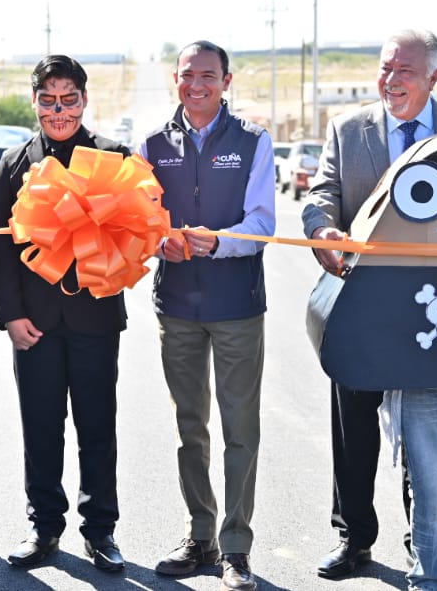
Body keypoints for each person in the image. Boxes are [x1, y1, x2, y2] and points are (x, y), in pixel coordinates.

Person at [305, 31, 437, 591]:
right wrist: (321, 228)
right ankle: (353, 535)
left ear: (433, 77)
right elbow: (322, 194)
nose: (391, 79)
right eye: (385, 67)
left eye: (405, 69)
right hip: (365, 302)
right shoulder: (347, 128)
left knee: (424, 434)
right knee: (354, 423)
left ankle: (420, 540)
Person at [141, 40, 275, 591]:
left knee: (240, 429)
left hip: (236, 306)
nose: (196, 85)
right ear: (175, 78)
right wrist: (159, 243)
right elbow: (139, 220)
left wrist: (217, 242)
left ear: (226, 81)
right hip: (176, 306)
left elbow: (262, 223)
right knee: (189, 427)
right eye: (187, 75)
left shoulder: (253, 140)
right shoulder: (151, 144)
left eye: (207, 76)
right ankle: (201, 536)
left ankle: (236, 547)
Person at [0, 55, 128, 573]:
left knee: (98, 429)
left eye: (69, 100)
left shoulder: (113, 157)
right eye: (48, 100)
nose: (59, 110)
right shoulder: (13, 163)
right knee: (40, 428)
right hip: (35, 323)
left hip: (96, 319)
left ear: (84, 100)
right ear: (34, 102)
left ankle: (101, 530)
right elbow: (2, 248)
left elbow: (133, 236)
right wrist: (10, 315)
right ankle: (45, 526)